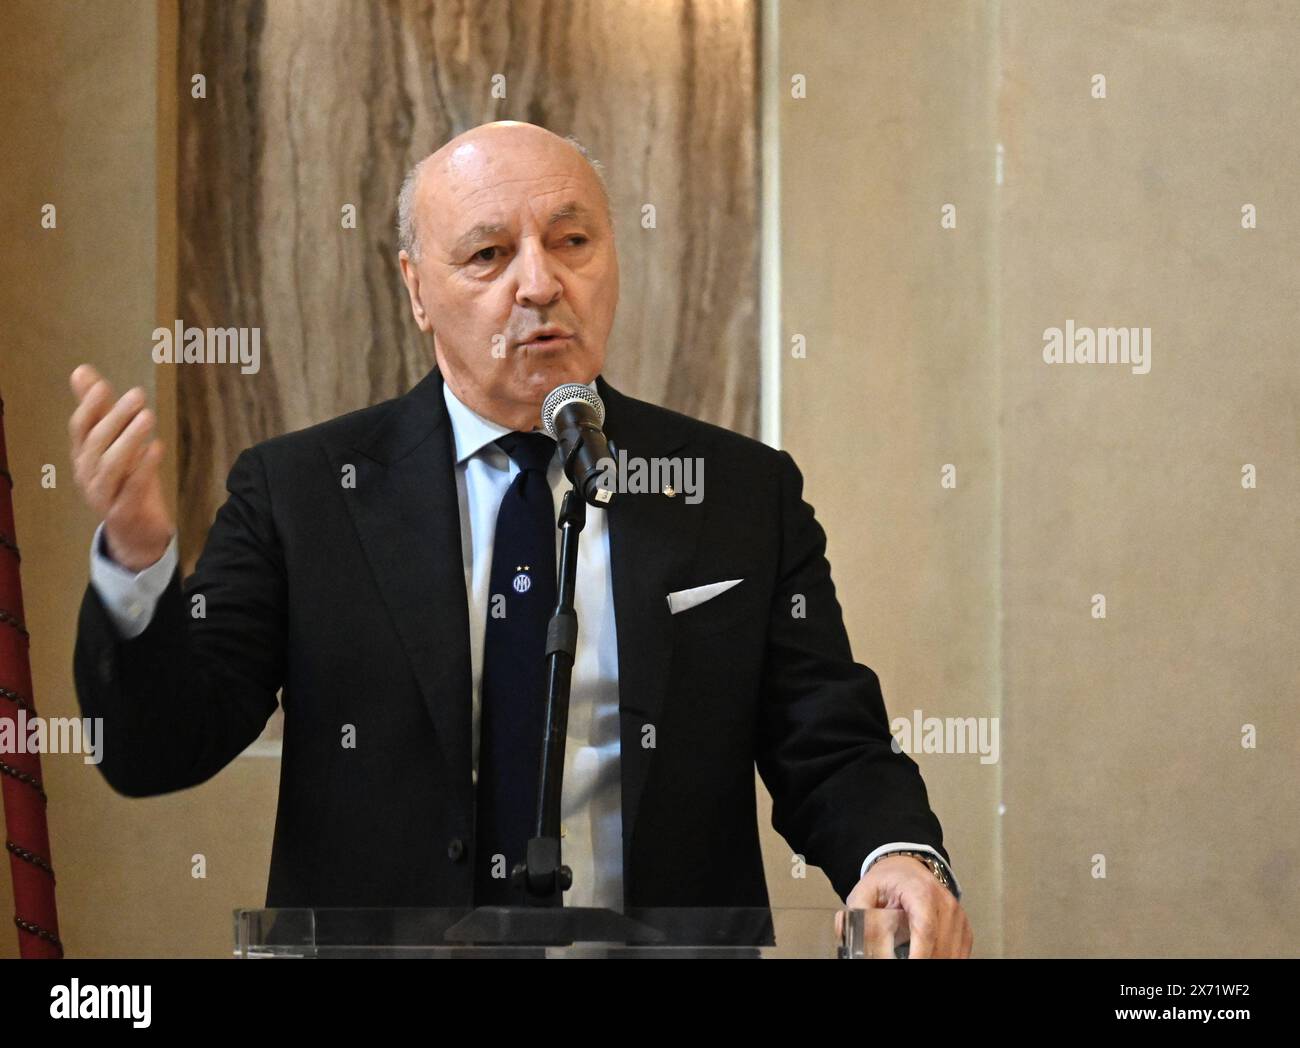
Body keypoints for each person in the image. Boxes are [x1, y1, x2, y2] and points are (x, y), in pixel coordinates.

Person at [68, 121, 972, 957]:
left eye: (572, 242)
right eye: (489, 254)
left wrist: (895, 856)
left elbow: (831, 743)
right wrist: (140, 564)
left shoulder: (737, 492)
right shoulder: (304, 494)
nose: (540, 283)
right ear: (416, 289)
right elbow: (161, 747)